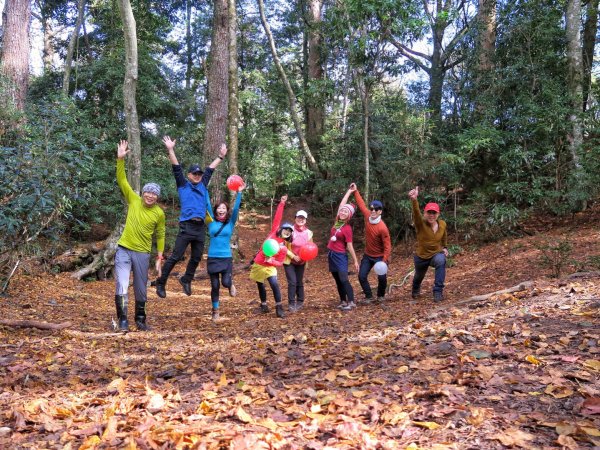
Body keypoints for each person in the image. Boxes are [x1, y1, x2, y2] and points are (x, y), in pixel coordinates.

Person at [155, 136, 227, 298]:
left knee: (197, 257)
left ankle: (186, 279)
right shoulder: (183, 184)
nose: (197, 175)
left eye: (199, 174)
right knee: (176, 256)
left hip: (200, 227)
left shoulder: (203, 184)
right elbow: (176, 167)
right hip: (186, 226)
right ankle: (161, 282)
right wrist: (170, 149)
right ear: (189, 175)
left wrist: (221, 156)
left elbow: (210, 169)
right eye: (194, 173)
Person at [114, 140, 166, 331]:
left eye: (154, 194)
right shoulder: (134, 200)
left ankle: (140, 319)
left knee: (141, 289)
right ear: (143, 192)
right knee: (121, 283)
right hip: (124, 249)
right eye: (148, 192)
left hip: (143, 253)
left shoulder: (159, 213)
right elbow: (122, 180)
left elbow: (160, 234)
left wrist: (159, 256)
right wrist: (120, 160)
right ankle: (123, 320)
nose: (150, 196)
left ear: (157, 197)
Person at [204, 180, 245, 321]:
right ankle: (215, 311)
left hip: (226, 257)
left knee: (225, 283)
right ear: (216, 210)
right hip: (213, 257)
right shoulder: (210, 222)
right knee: (215, 286)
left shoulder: (231, 222)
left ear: (226, 211)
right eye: (219, 208)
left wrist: (239, 193)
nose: (221, 210)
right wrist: (205, 188)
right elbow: (207, 204)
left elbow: (236, 210)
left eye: (224, 208)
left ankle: (230, 284)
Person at [349, 183, 392, 304]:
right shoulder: (368, 216)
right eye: (372, 208)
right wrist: (355, 191)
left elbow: (387, 245)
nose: (373, 211)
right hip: (368, 255)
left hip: (379, 256)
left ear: (380, 212)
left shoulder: (382, 228)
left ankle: (380, 296)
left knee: (382, 277)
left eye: (376, 209)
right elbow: (362, 205)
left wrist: (384, 260)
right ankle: (369, 296)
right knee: (361, 276)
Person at [249, 195, 289, 319]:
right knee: (260, 284)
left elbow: (280, 262)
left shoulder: (283, 247)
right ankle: (264, 305)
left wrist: (272, 260)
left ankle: (279, 307)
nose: (286, 232)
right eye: (285, 230)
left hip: (269, 266)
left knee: (274, 284)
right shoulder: (273, 232)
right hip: (259, 263)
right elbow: (278, 217)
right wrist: (282, 203)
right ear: (281, 229)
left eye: (289, 233)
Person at [408, 186, 448, 302]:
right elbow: (416, 213)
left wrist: (445, 247)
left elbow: (444, 235)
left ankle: (437, 292)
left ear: (438, 214)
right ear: (425, 213)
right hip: (421, 257)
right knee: (419, 277)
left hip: (435, 255)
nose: (431, 215)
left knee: (441, 260)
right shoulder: (420, 224)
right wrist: (414, 200)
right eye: (429, 212)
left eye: (434, 213)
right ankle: (415, 289)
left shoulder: (442, 224)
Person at [328, 187, 359, 311]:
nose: (342, 212)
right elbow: (342, 204)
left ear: (349, 216)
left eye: (346, 212)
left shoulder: (347, 228)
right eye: (342, 211)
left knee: (343, 278)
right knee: (337, 279)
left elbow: (350, 246)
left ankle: (351, 301)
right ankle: (342, 300)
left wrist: (355, 260)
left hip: (340, 255)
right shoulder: (337, 222)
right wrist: (349, 191)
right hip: (331, 255)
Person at [283, 210, 313, 312]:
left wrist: (304, 258)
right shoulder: (288, 230)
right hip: (289, 260)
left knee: (299, 281)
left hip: (302, 261)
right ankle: (291, 303)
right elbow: (282, 246)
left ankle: (300, 301)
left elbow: (311, 248)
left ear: (305, 220)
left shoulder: (309, 233)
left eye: (303, 218)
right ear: (295, 218)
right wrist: (292, 256)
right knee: (292, 281)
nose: (301, 220)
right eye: (299, 217)